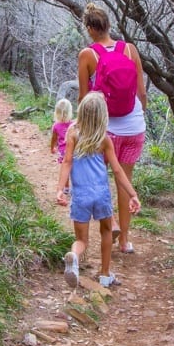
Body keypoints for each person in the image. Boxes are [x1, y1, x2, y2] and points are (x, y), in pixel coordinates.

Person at [77, 2, 147, 254]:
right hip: (134, 127)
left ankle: (112, 222)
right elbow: (141, 92)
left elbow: (85, 99)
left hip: (104, 131)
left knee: (99, 178)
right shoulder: (129, 49)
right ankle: (125, 241)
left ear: (89, 28)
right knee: (124, 181)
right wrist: (138, 116)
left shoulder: (88, 55)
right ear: (108, 25)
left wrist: (81, 128)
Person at [56, 92, 141, 288]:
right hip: (101, 195)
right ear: (103, 116)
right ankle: (104, 275)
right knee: (106, 232)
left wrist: (60, 189)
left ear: (82, 112)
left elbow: (67, 162)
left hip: (81, 196)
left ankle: (74, 257)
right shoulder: (104, 140)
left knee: (81, 240)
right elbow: (118, 170)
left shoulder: (72, 134)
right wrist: (132, 194)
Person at [50, 98, 73, 194]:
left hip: (63, 151)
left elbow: (54, 139)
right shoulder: (74, 124)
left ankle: (66, 187)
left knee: (65, 168)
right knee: (74, 169)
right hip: (73, 150)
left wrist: (52, 147)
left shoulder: (56, 126)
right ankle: (75, 186)